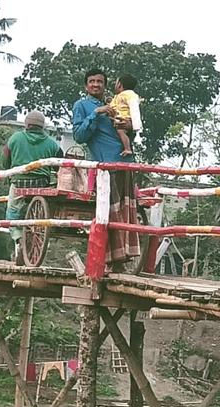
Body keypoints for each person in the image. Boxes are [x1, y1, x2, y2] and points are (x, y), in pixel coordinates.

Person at [71, 68, 141, 271]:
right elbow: (79, 135)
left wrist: (128, 125)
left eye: (99, 81)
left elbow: (129, 133)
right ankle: (111, 262)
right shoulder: (82, 106)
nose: (95, 85)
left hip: (125, 163)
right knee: (108, 213)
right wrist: (95, 113)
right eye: (91, 81)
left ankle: (124, 260)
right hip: (104, 165)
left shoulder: (115, 103)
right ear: (86, 86)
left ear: (105, 84)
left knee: (125, 213)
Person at [2, 110, 63, 262]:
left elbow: (5, 158)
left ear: (27, 124)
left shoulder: (15, 138)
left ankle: (17, 239)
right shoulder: (51, 144)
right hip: (41, 185)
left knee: (13, 212)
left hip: (19, 182)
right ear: (42, 126)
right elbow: (59, 165)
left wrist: (9, 170)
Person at [108, 74, 142, 157]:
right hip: (119, 118)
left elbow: (134, 109)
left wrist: (136, 126)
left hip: (124, 118)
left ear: (120, 84)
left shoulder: (129, 94)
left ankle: (127, 149)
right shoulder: (120, 96)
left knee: (121, 131)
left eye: (116, 83)